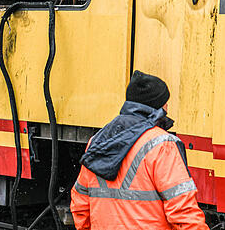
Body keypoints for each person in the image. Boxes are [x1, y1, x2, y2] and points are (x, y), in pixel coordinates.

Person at [70, 71, 208, 230]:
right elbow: (183, 211)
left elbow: (80, 204)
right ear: (159, 106)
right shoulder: (162, 144)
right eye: (165, 102)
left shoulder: (97, 142)